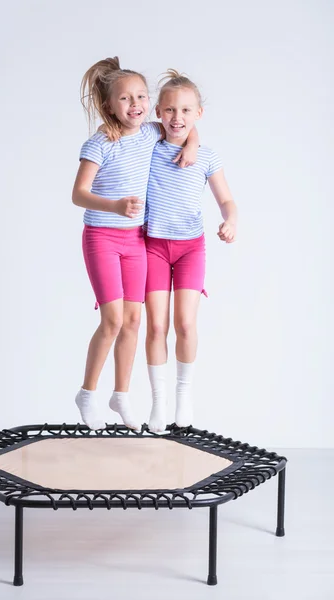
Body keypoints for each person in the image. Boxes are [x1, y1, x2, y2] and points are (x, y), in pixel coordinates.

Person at [72, 58, 199, 430]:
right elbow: (78, 194)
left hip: (137, 240)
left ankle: (121, 396)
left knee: (133, 320)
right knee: (111, 320)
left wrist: (193, 143)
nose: (135, 104)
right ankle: (88, 393)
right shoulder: (99, 142)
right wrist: (113, 205)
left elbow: (183, 125)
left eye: (141, 96)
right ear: (109, 105)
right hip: (102, 237)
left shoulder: (149, 132)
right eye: (125, 98)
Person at [144, 70, 238, 433]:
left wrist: (231, 221)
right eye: (169, 110)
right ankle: (158, 401)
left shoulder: (207, 156)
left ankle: (184, 395)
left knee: (184, 322)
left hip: (190, 248)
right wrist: (189, 139)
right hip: (152, 245)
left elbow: (227, 200)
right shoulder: (149, 147)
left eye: (185, 110)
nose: (177, 118)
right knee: (156, 325)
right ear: (157, 112)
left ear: (199, 113)